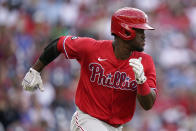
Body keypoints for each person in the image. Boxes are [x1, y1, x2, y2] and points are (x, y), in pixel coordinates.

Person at [22, 7, 157, 131]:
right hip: (86, 120)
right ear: (125, 31)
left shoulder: (145, 62)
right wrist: (35, 70)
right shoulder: (92, 49)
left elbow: (148, 104)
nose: (144, 36)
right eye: (140, 31)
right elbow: (59, 43)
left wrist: (141, 81)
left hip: (116, 127)